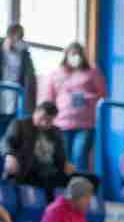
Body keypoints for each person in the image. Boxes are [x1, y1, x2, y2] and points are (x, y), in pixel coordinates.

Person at [42, 41, 106, 170]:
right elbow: (49, 98)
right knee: (63, 160)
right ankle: (63, 183)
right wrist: (47, 119)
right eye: (72, 54)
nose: (75, 57)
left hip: (85, 125)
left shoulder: (92, 72)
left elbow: (102, 94)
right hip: (61, 124)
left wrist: (86, 97)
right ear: (66, 55)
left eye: (78, 54)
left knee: (80, 157)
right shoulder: (56, 74)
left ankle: (80, 183)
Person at [4, 101, 77, 192]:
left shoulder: (56, 131)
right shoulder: (20, 125)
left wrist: (66, 164)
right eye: (42, 118)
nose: (44, 123)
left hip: (51, 170)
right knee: (48, 182)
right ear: (36, 112)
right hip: (29, 170)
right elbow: (7, 143)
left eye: (49, 121)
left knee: (86, 180)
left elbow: (60, 156)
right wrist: (10, 156)